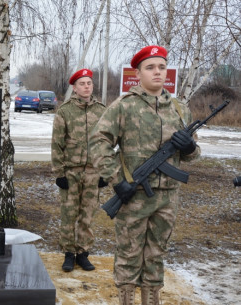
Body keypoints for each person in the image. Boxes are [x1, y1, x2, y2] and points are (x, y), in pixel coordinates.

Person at [89, 46, 200, 305]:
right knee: (129, 254)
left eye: (161, 67)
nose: (157, 72)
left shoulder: (180, 110)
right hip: (134, 195)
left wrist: (190, 147)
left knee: (156, 254)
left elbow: (192, 155)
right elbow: (98, 142)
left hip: (168, 198)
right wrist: (117, 180)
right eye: (150, 67)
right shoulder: (124, 106)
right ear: (137, 73)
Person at [51, 68, 107, 272]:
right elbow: (57, 144)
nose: (86, 87)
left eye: (89, 83)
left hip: (93, 172)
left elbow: (107, 143)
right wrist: (59, 173)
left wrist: (105, 171)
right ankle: (68, 254)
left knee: (87, 214)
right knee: (68, 214)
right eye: (82, 84)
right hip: (71, 172)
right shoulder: (65, 111)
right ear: (74, 88)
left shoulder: (102, 111)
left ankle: (83, 254)